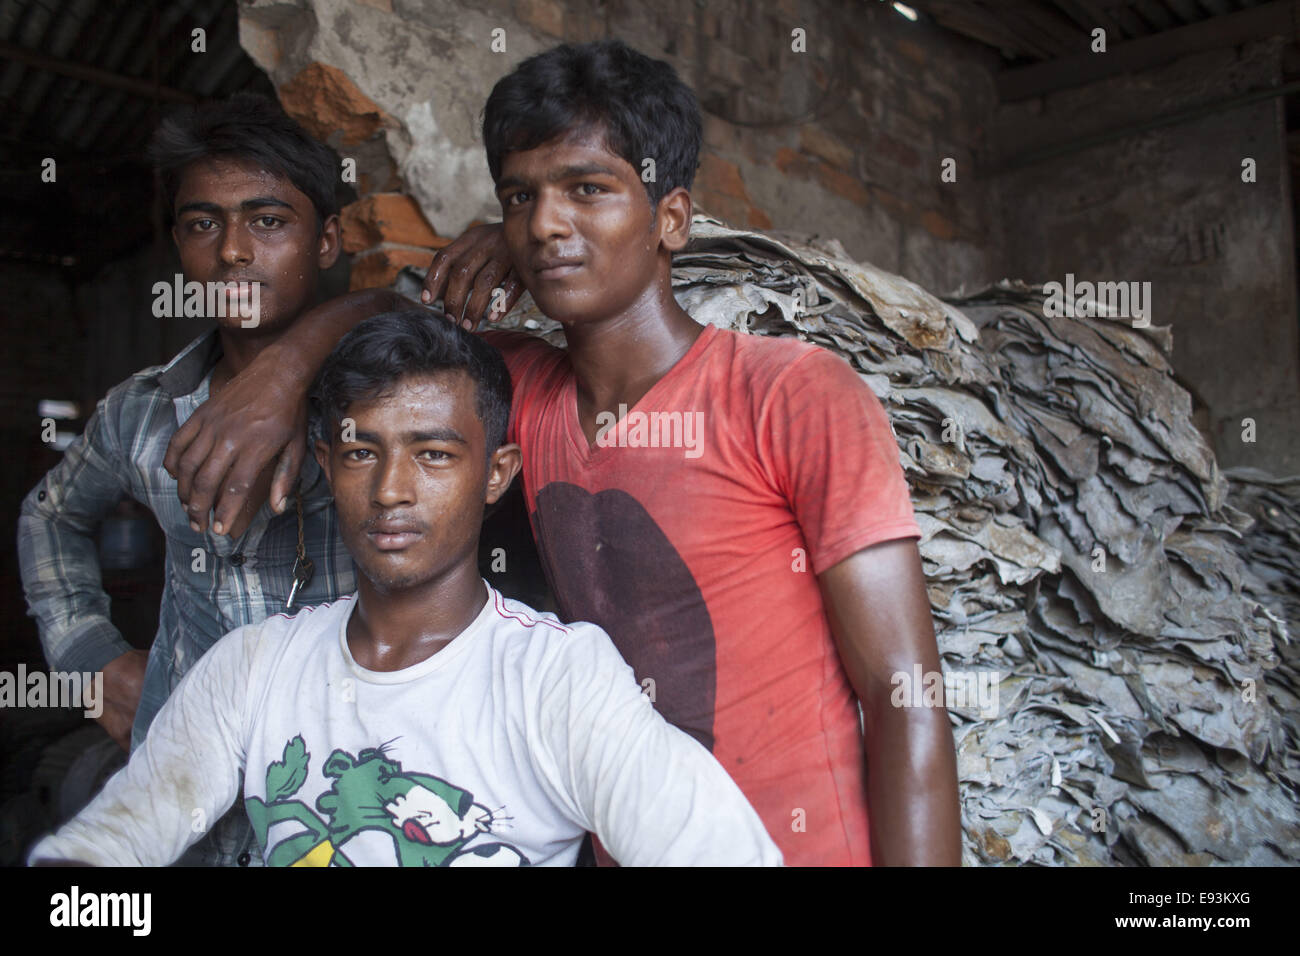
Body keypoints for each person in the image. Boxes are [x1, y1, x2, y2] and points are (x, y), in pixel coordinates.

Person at [165, 41, 962, 866]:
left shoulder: (791, 393)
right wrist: (283, 376)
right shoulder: (514, 392)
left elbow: (907, 696)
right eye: (521, 198)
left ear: (674, 218)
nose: (547, 224)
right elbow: (381, 327)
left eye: (588, 189)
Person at [27, 312, 783, 867]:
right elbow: (107, 853)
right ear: (326, 463)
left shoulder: (559, 681)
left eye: (433, 455)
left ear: (496, 475)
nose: (391, 490)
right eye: (362, 452)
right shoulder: (252, 669)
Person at [17, 93, 514, 866]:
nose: (234, 252)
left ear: (327, 241)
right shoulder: (142, 414)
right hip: (186, 817)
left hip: (355, 811)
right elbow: (49, 517)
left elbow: (431, 299)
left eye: (269, 220)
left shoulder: (400, 399)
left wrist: (295, 367)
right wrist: (93, 658)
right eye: (202, 223)